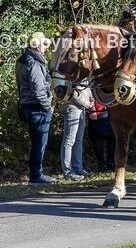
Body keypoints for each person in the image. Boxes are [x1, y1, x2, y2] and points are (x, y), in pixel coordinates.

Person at [16, 31, 57, 185]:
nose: (45, 47)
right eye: (44, 44)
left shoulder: (22, 59)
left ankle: (36, 173)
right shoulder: (34, 62)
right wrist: (48, 107)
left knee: (36, 142)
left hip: (26, 105)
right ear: (37, 45)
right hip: (38, 108)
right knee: (40, 143)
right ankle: (36, 176)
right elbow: (39, 90)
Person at [60, 84, 93, 180]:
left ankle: (78, 168)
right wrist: (87, 104)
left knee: (78, 141)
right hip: (72, 108)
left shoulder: (86, 75)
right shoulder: (73, 72)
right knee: (69, 140)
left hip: (81, 109)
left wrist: (91, 98)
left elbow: (86, 89)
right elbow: (73, 92)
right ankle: (67, 171)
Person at [87, 98, 115, 172]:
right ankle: (101, 165)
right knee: (97, 141)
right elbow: (90, 97)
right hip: (97, 113)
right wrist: (92, 109)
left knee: (113, 140)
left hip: (109, 113)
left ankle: (110, 163)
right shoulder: (92, 88)